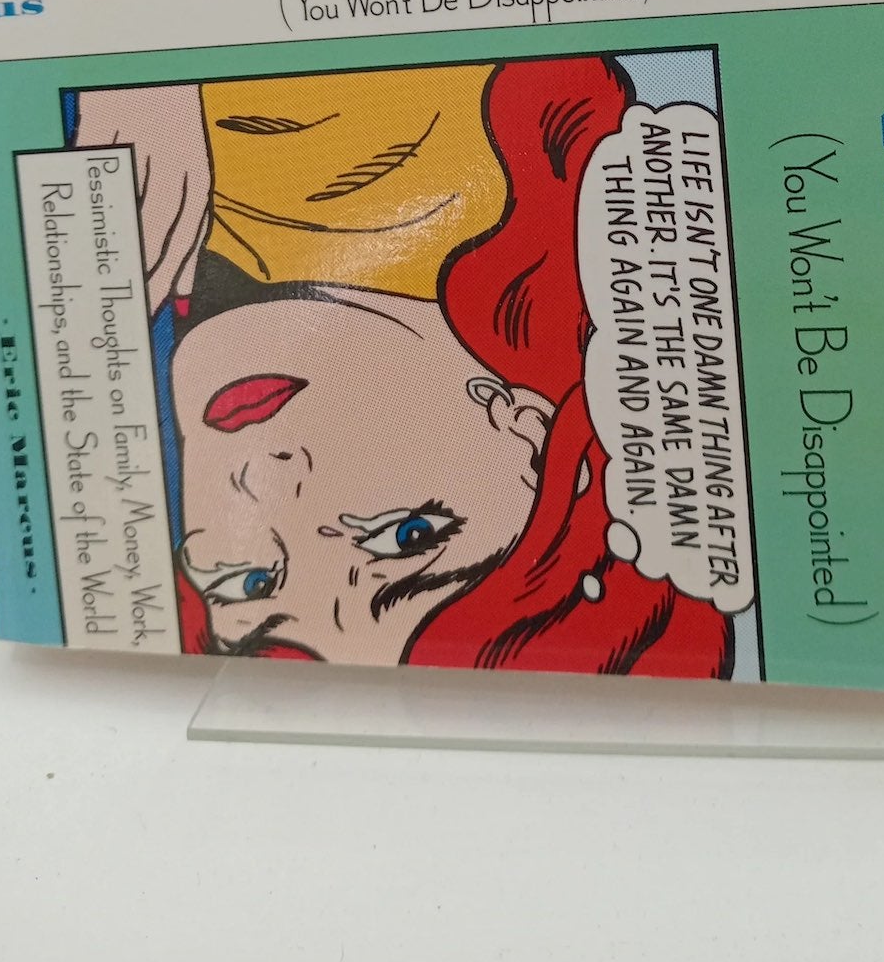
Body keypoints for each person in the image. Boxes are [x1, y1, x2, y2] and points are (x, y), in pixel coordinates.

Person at [74, 58, 733, 677]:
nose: (269, 476)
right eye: (404, 536)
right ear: (530, 435)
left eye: (252, 583)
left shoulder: (127, 270)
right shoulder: (431, 143)